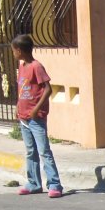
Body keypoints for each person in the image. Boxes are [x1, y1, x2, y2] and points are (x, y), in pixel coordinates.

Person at [13, 34, 63, 198]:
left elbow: (48, 89)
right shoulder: (22, 67)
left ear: (19, 50)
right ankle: (34, 183)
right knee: (30, 151)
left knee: (44, 151)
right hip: (24, 117)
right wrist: (18, 106)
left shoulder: (36, 66)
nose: (13, 53)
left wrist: (36, 109)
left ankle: (54, 184)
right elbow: (22, 90)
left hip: (36, 118)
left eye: (14, 50)